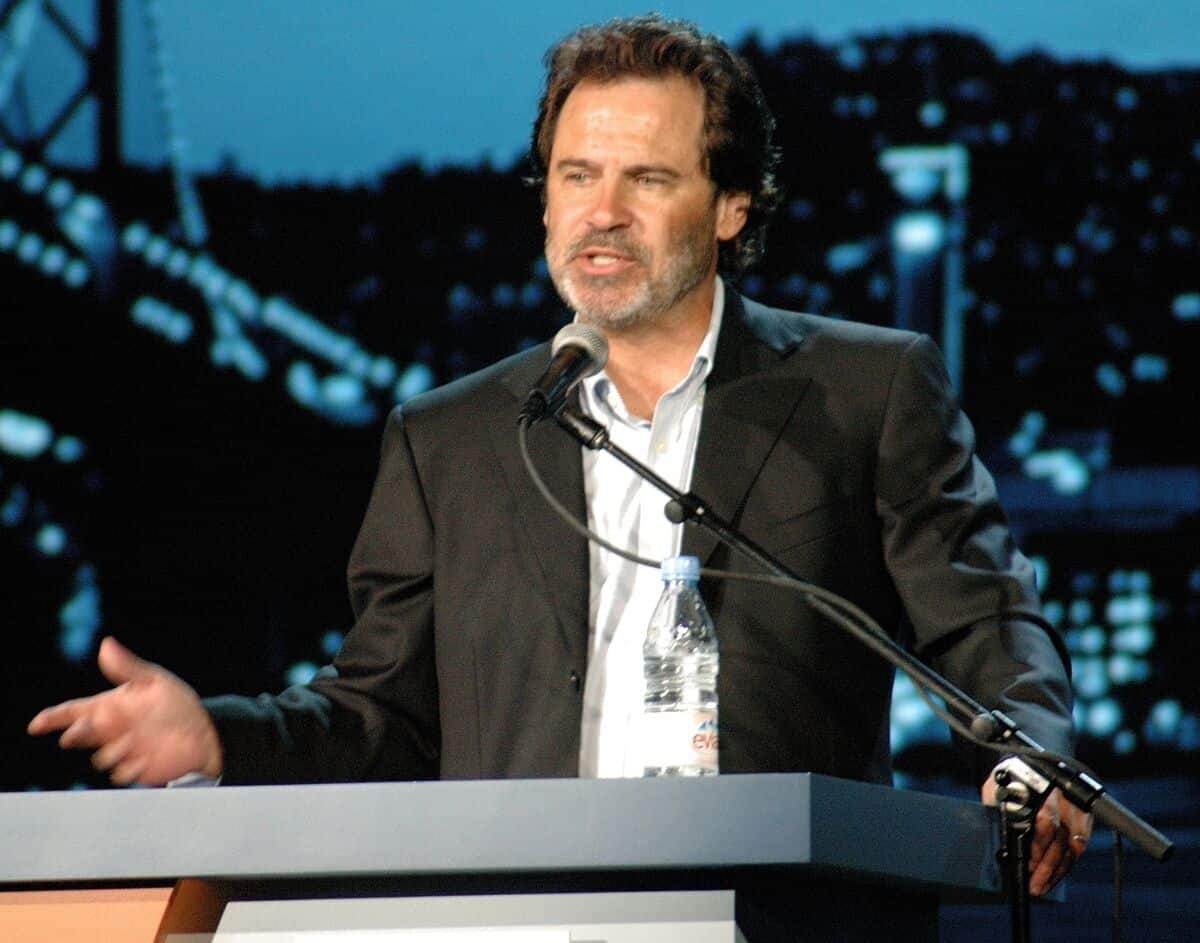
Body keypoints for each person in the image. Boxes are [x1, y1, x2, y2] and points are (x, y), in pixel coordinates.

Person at [29, 15, 1090, 896]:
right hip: (517, 914)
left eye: (647, 178)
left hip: (781, 913)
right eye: (576, 174)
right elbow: (381, 713)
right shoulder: (446, 437)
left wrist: (1028, 760)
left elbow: (984, 621)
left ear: (731, 206)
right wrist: (218, 739)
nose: (603, 213)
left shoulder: (867, 388)